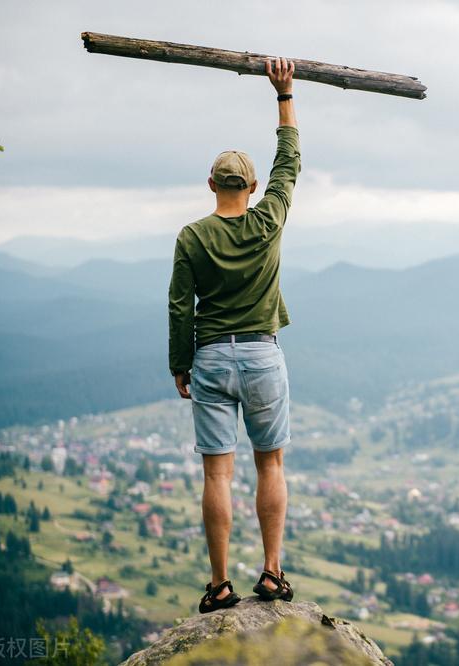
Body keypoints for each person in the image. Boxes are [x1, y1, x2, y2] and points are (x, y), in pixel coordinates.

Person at [167, 57, 300, 613]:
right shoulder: (267, 220)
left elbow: (179, 306)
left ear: (210, 185)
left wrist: (181, 365)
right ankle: (271, 574)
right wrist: (283, 94)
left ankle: (219, 585)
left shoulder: (192, 236)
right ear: (250, 185)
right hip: (264, 357)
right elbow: (289, 164)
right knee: (270, 464)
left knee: (216, 472)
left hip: (213, 360)